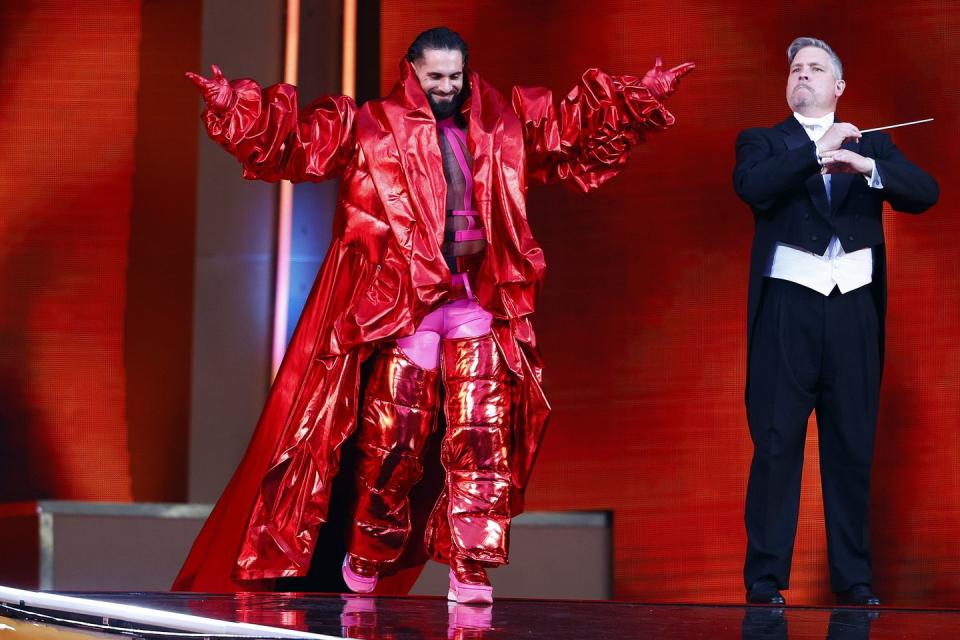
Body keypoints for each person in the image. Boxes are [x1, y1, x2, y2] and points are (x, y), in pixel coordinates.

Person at [174, 26, 692, 603]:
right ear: (412, 72)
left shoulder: (500, 123)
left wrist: (637, 96)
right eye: (434, 77)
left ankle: (471, 567)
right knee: (395, 439)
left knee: (481, 434)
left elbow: (568, 129)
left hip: (477, 299)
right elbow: (300, 140)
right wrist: (233, 104)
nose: (446, 87)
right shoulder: (371, 125)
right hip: (406, 305)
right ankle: (367, 557)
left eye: (454, 77)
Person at [734, 37, 938, 606]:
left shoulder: (870, 143)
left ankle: (854, 579)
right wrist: (816, 150)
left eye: (816, 68)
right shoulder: (763, 142)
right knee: (776, 444)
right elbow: (752, 186)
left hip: (852, 312)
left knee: (851, 445)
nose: (803, 75)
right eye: (795, 69)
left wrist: (868, 163)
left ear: (839, 87)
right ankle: (766, 580)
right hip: (788, 311)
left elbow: (927, 193)